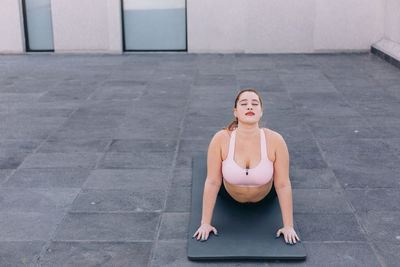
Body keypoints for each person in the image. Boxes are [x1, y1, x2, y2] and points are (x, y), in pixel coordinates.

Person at [192, 88, 301, 245]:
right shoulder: (221, 138)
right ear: (235, 112)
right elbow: (212, 182)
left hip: (266, 196)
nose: (250, 107)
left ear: (261, 112)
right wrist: (205, 223)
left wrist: (289, 226)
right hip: (229, 194)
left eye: (255, 104)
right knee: (211, 172)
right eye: (244, 104)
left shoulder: (275, 140)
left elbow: (283, 184)